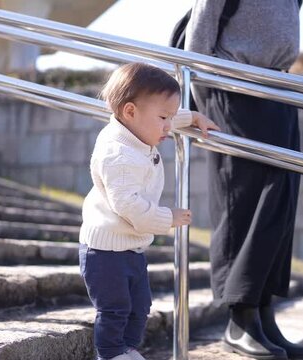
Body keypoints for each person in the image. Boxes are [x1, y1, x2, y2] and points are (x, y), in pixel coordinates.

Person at [185, 1, 303, 359]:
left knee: (279, 198)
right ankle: (240, 320)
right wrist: (204, 96)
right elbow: (200, 30)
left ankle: (263, 313)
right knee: (244, 197)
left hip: (276, 85)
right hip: (233, 87)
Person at [79, 62, 219, 360]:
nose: (169, 126)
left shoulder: (136, 126)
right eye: (164, 118)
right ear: (129, 112)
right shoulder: (118, 154)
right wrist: (169, 217)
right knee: (114, 308)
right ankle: (111, 353)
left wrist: (192, 117)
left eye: (171, 117)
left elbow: (160, 113)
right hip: (104, 252)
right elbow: (129, 206)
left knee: (140, 306)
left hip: (130, 246)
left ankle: (128, 348)